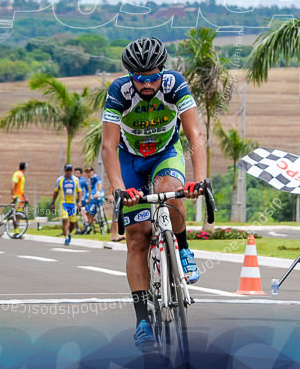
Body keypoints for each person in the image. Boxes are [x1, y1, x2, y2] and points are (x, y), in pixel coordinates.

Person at [100, 36, 208, 351]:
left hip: (164, 153)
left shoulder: (175, 84)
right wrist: (119, 188)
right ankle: (143, 320)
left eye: (153, 77)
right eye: (140, 78)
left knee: (172, 192)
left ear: (163, 70)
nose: (147, 84)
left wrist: (199, 180)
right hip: (129, 160)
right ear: (130, 75)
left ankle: (184, 248)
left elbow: (195, 134)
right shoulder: (119, 92)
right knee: (137, 237)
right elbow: (108, 146)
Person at [51, 164, 84, 245]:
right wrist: (53, 202)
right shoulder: (60, 180)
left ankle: (68, 233)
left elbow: (79, 191)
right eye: (67, 170)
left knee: (73, 222)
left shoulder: (76, 180)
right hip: (64, 203)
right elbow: (56, 192)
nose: (68, 172)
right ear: (64, 171)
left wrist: (80, 202)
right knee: (65, 219)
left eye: (70, 170)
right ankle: (66, 237)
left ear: (71, 171)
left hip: (72, 204)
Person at [83, 167, 105, 232]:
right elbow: (93, 190)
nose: (88, 173)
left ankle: (88, 228)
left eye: (89, 172)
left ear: (93, 172)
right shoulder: (91, 180)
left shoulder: (96, 177)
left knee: (87, 213)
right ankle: (88, 227)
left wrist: (97, 193)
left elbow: (100, 185)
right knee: (88, 213)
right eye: (87, 172)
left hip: (97, 199)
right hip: (93, 199)